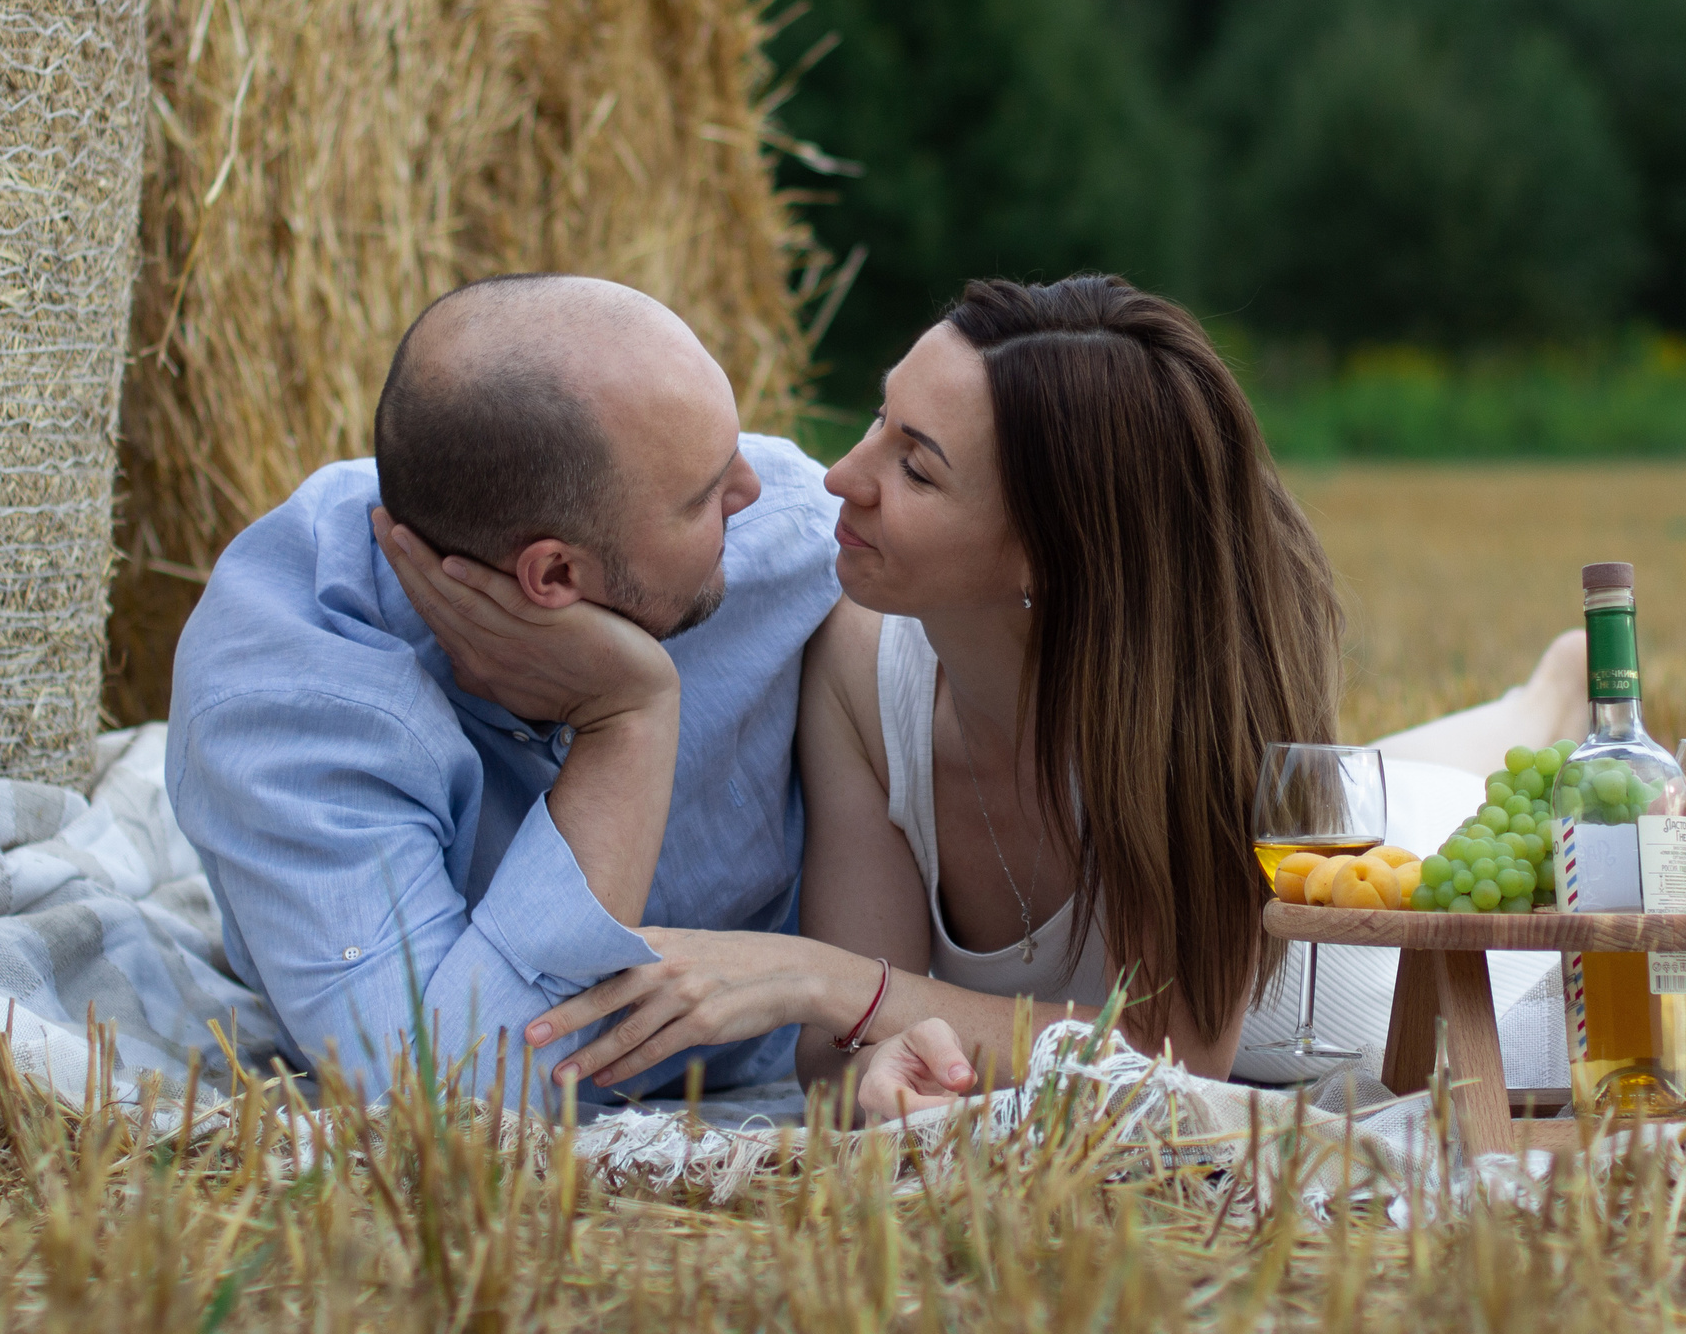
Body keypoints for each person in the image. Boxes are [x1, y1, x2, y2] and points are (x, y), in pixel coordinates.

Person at [468, 276, 1587, 1122]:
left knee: (1420, 810)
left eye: (916, 467)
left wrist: (813, 980)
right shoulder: (857, 668)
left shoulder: (1180, 724)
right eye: (875, 421)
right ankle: (1534, 700)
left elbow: (1166, 1060)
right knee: (1375, 776)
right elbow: (839, 1050)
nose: (841, 480)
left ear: (1050, 555)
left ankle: (1544, 712)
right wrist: (877, 1074)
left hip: (1369, 984)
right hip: (1320, 819)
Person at [166, 274, 839, 1098]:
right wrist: (627, 721)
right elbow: (448, 1100)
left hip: (796, 1059)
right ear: (554, 572)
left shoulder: (791, 539)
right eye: (709, 495)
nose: (753, 489)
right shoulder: (289, 700)